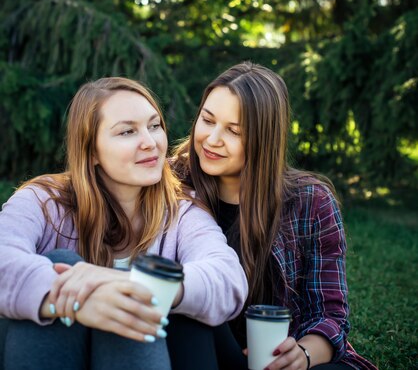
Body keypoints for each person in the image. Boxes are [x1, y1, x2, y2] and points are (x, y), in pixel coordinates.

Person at [0, 77, 248, 370]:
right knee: (61, 262)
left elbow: (228, 278)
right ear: (91, 150)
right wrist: (78, 301)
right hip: (51, 351)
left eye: (154, 126)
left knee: (142, 297)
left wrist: (135, 284)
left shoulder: (182, 209)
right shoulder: (43, 201)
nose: (150, 143)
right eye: (128, 131)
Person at [173, 62, 378, 370]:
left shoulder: (310, 202)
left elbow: (330, 316)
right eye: (207, 120)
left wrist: (304, 354)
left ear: (264, 139)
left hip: (282, 359)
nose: (212, 139)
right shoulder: (172, 182)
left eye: (234, 131)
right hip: (205, 349)